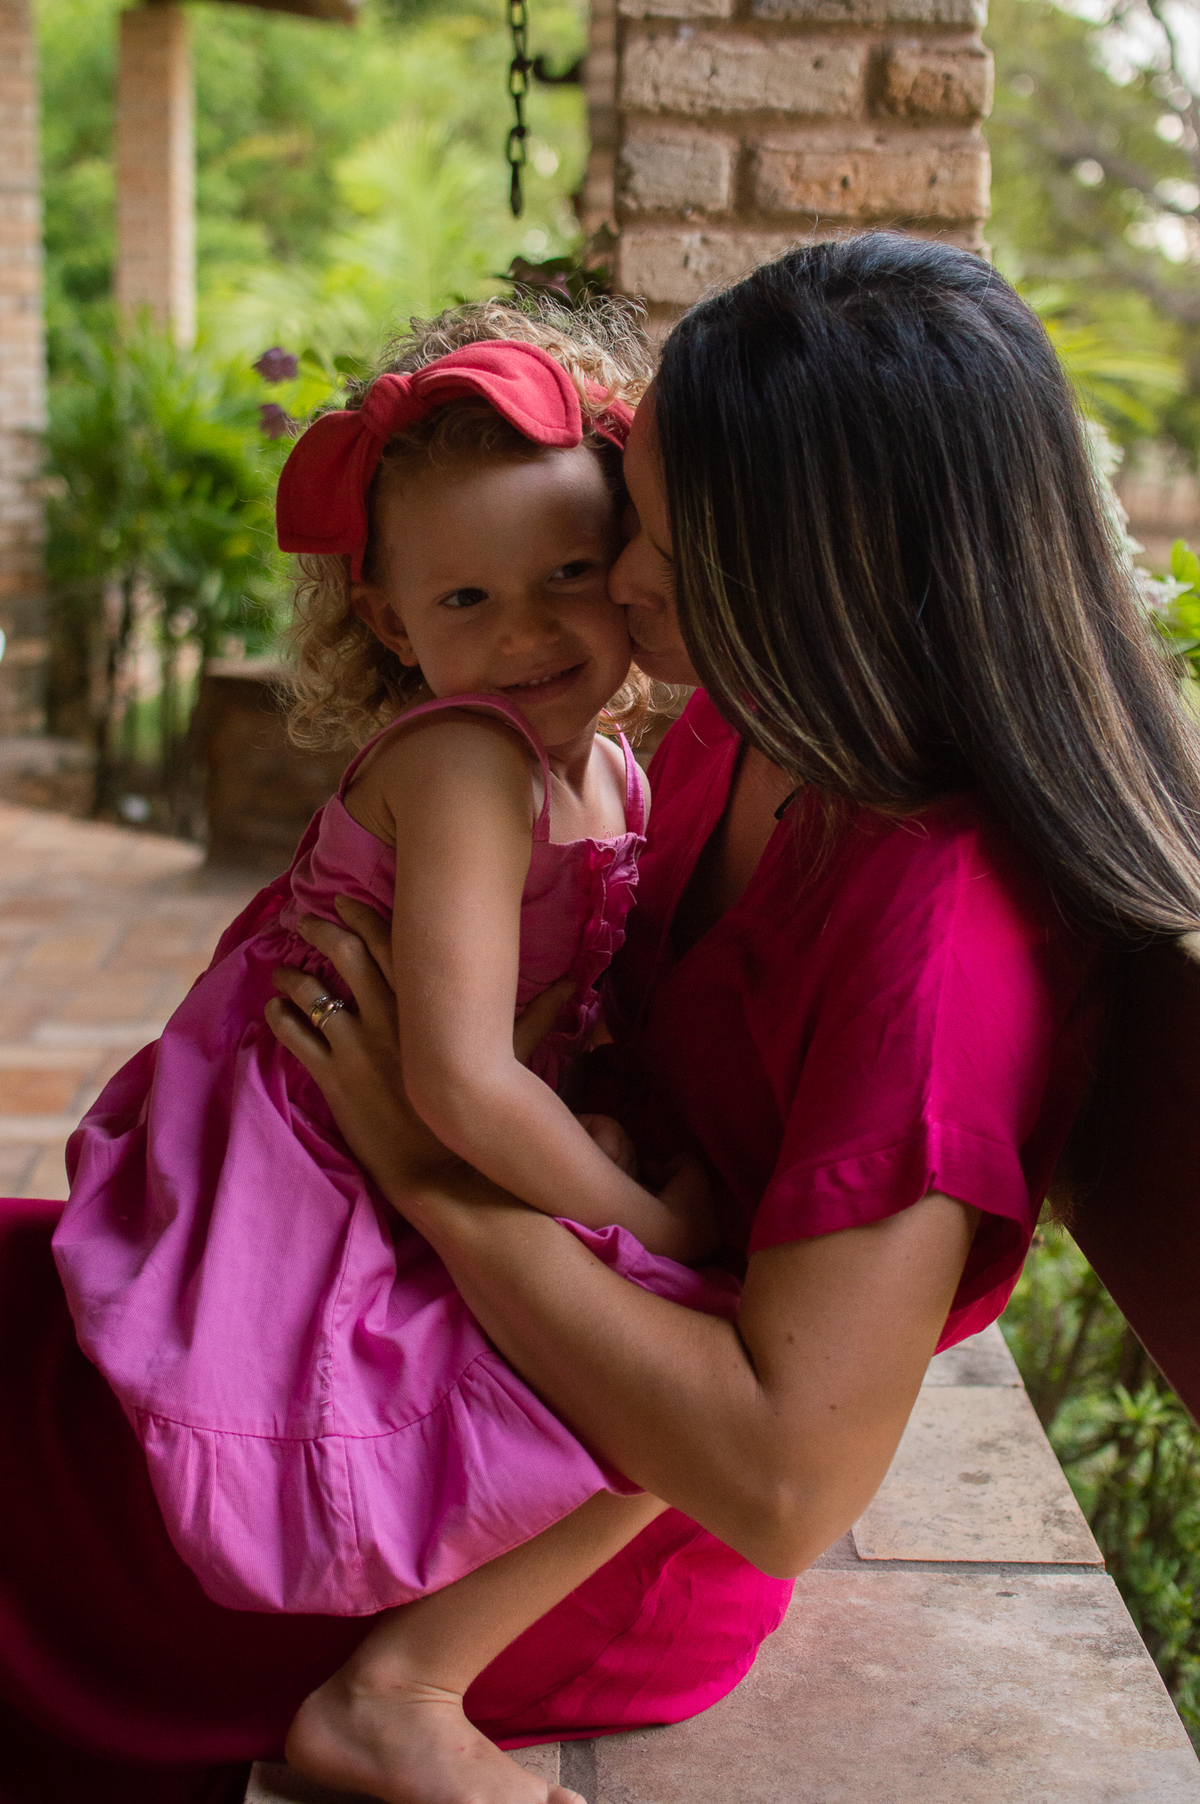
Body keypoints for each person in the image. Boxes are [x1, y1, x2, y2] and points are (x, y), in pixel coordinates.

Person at [1, 231, 1197, 1804]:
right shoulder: (738, 744)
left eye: (660, 549)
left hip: (526, 1516)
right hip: (454, 1331)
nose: (621, 586)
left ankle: (381, 1698)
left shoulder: (943, 944)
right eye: (629, 523)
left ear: (822, 564)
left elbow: (781, 1478)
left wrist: (426, 1168)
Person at [52, 303, 731, 1804]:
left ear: (630, 560)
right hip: (325, 1146)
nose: (531, 633)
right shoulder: (472, 762)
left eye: (569, 575)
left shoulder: (609, 761)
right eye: (469, 600)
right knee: (667, 1337)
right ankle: (396, 1692)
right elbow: (458, 1083)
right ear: (388, 623)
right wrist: (649, 1216)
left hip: (422, 1110)